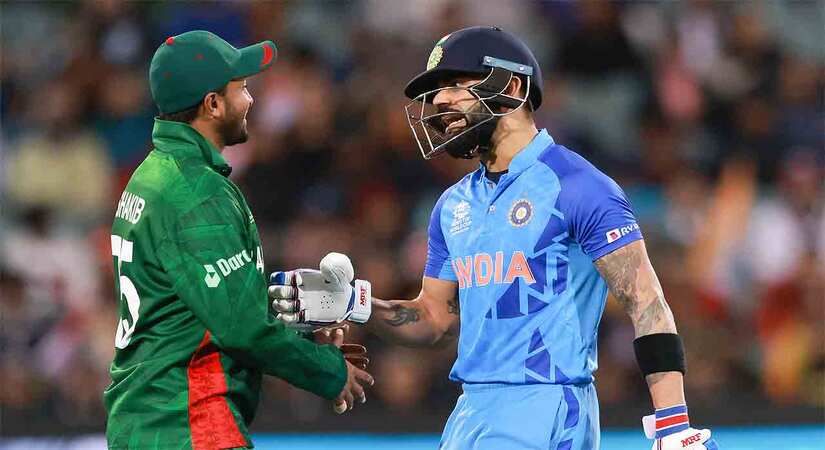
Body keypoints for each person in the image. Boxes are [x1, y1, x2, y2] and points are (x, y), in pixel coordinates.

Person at [270, 27, 718, 450]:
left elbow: (646, 303)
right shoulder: (453, 204)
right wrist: (355, 304)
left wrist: (673, 423)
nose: (439, 100)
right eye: (436, 90)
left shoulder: (579, 186)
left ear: (513, 87)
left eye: (455, 84)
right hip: (469, 412)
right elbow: (434, 318)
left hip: (548, 406)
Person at [104, 30, 372, 450]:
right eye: (242, 88)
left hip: (148, 417)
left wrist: (298, 327)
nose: (250, 100)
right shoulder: (195, 193)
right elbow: (242, 329)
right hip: (189, 420)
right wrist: (330, 371)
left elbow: (196, 306)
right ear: (213, 104)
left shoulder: (152, 175)